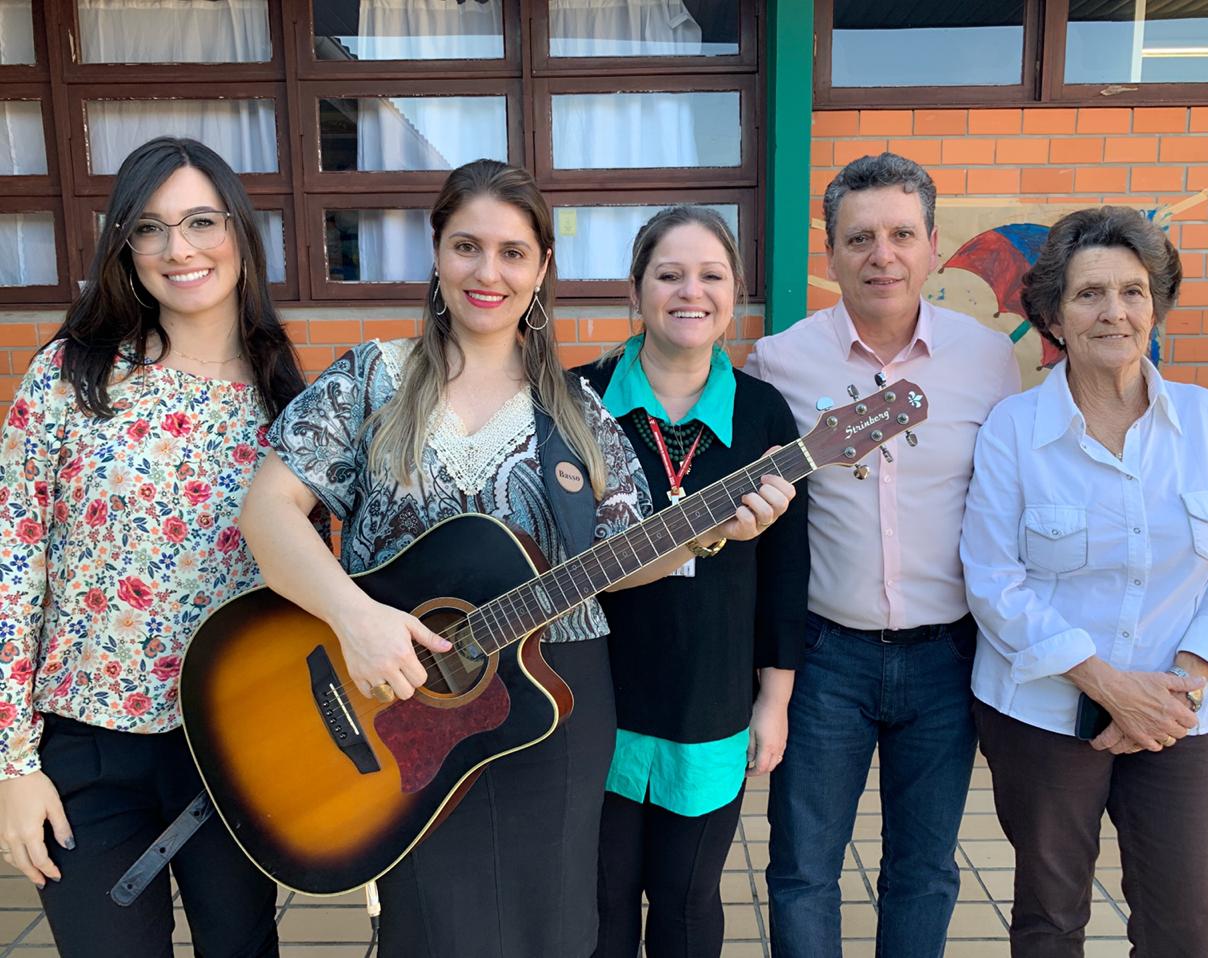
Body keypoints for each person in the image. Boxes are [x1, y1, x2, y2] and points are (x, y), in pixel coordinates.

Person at [238, 159, 794, 958]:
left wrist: (713, 529)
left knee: (555, 923)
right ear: (436, 253)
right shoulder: (372, 379)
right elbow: (269, 511)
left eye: (512, 252)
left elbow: (618, 555)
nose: (488, 272)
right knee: (429, 924)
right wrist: (354, 618)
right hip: (397, 699)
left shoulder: (576, 408)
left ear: (541, 270)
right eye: (467, 246)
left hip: (552, 704)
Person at [0, 136, 308, 956]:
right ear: (124, 248)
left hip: (232, 747)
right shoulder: (73, 374)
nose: (178, 249)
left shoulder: (289, 402)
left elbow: (305, 592)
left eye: (201, 221)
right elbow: (11, 567)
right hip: (85, 753)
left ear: (240, 234)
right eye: (149, 228)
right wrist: (11, 767)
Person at [959, 206, 1208, 958]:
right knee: (1050, 921)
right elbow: (994, 581)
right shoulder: (1014, 429)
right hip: (1045, 713)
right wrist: (1108, 685)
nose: (1115, 312)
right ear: (1055, 316)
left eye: (1133, 291)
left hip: (1180, 714)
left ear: (1156, 304)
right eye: (1089, 293)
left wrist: (1178, 688)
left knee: (1187, 927)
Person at [745, 151, 1021, 958]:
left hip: (947, 657)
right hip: (824, 654)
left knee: (925, 869)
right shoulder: (781, 361)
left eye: (902, 233)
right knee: (802, 869)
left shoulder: (987, 360)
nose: (882, 254)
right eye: (859, 237)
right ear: (830, 253)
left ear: (933, 244)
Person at [576, 207, 809, 958]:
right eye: (669, 274)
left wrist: (773, 701)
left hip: (711, 698)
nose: (690, 292)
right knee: (600, 900)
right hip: (591, 692)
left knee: (685, 904)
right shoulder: (575, 401)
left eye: (711, 275)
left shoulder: (765, 412)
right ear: (635, 290)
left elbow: (785, 572)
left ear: (735, 293)